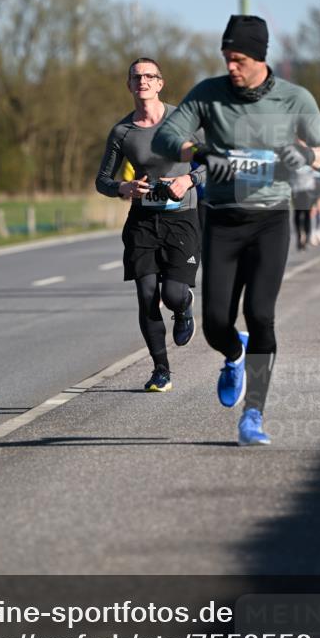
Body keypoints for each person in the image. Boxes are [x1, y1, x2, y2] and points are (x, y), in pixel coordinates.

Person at [152, 15, 320, 446]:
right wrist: (195, 150)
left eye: (237, 59)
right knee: (217, 322)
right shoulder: (209, 94)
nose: (231, 66)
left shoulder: (294, 99)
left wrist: (305, 155)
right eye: (226, 58)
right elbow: (167, 135)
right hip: (221, 218)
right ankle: (233, 353)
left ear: (259, 57)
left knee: (261, 314)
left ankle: (253, 413)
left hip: (271, 219)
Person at [96, 58, 205, 392]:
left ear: (160, 83)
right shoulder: (122, 132)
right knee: (146, 295)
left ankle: (184, 309)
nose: (142, 81)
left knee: (172, 294)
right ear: (129, 85)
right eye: (136, 77)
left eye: (149, 76)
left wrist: (188, 179)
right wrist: (122, 189)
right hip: (143, 220)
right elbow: (102, 180)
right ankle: (161, 370)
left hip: (182, 218)